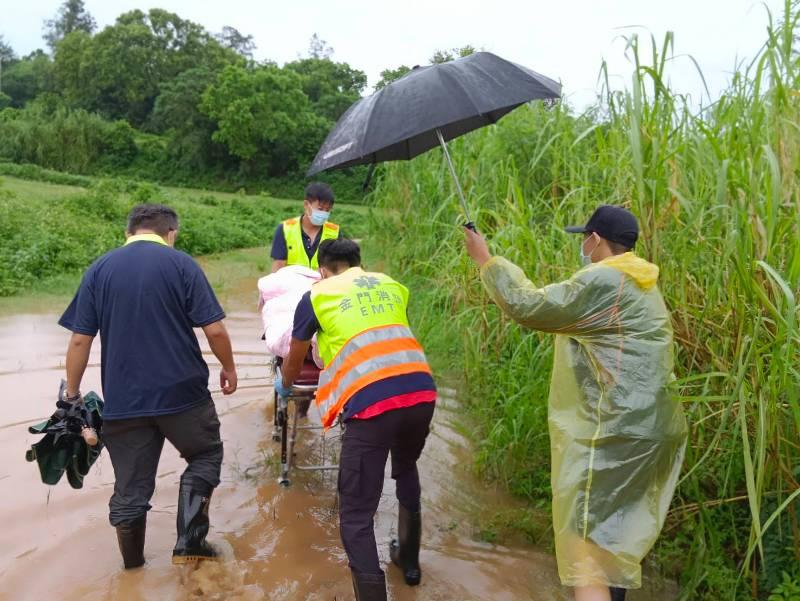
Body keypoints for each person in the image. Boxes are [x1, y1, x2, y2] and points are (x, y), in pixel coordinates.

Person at [463, 205, 688, 601]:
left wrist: (486, 260)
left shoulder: (606, 280)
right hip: (652, 427)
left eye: (584, 238)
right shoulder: (642, 279)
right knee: (611, 535)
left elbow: (528, 305)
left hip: (614, 431)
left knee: (584, 544)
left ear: (596, 240)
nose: (582, 246)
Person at [58, 204, 238, 570]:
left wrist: (72, 395)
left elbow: (80, 340)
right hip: (183, 395)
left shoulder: (100, 269)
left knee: (131, 489)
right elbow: (215, 329)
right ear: (170, 233)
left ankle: (132, 570)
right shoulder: (182, 264)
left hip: (125, 400)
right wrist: (229, 368)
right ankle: (190, 541)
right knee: (204, 455)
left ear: (128, 233)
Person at [276, 239, 437, 601]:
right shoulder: (392, 285)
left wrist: (285, 385)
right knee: (406, 467)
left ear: (322, 270)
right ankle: (409, 565)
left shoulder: (316, 296)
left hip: (371, 405)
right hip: (421, 391)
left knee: (355, 515)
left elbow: (295, 354)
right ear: (358, 263)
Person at [270, 182, 341, 272]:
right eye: (320, 209)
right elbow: (277, 269)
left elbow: (340, 269)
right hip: (292, 285)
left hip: (323, 285)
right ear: (306, 205)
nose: (324, 213)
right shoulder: (285, 229)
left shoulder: (335, 232)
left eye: (327, 210)